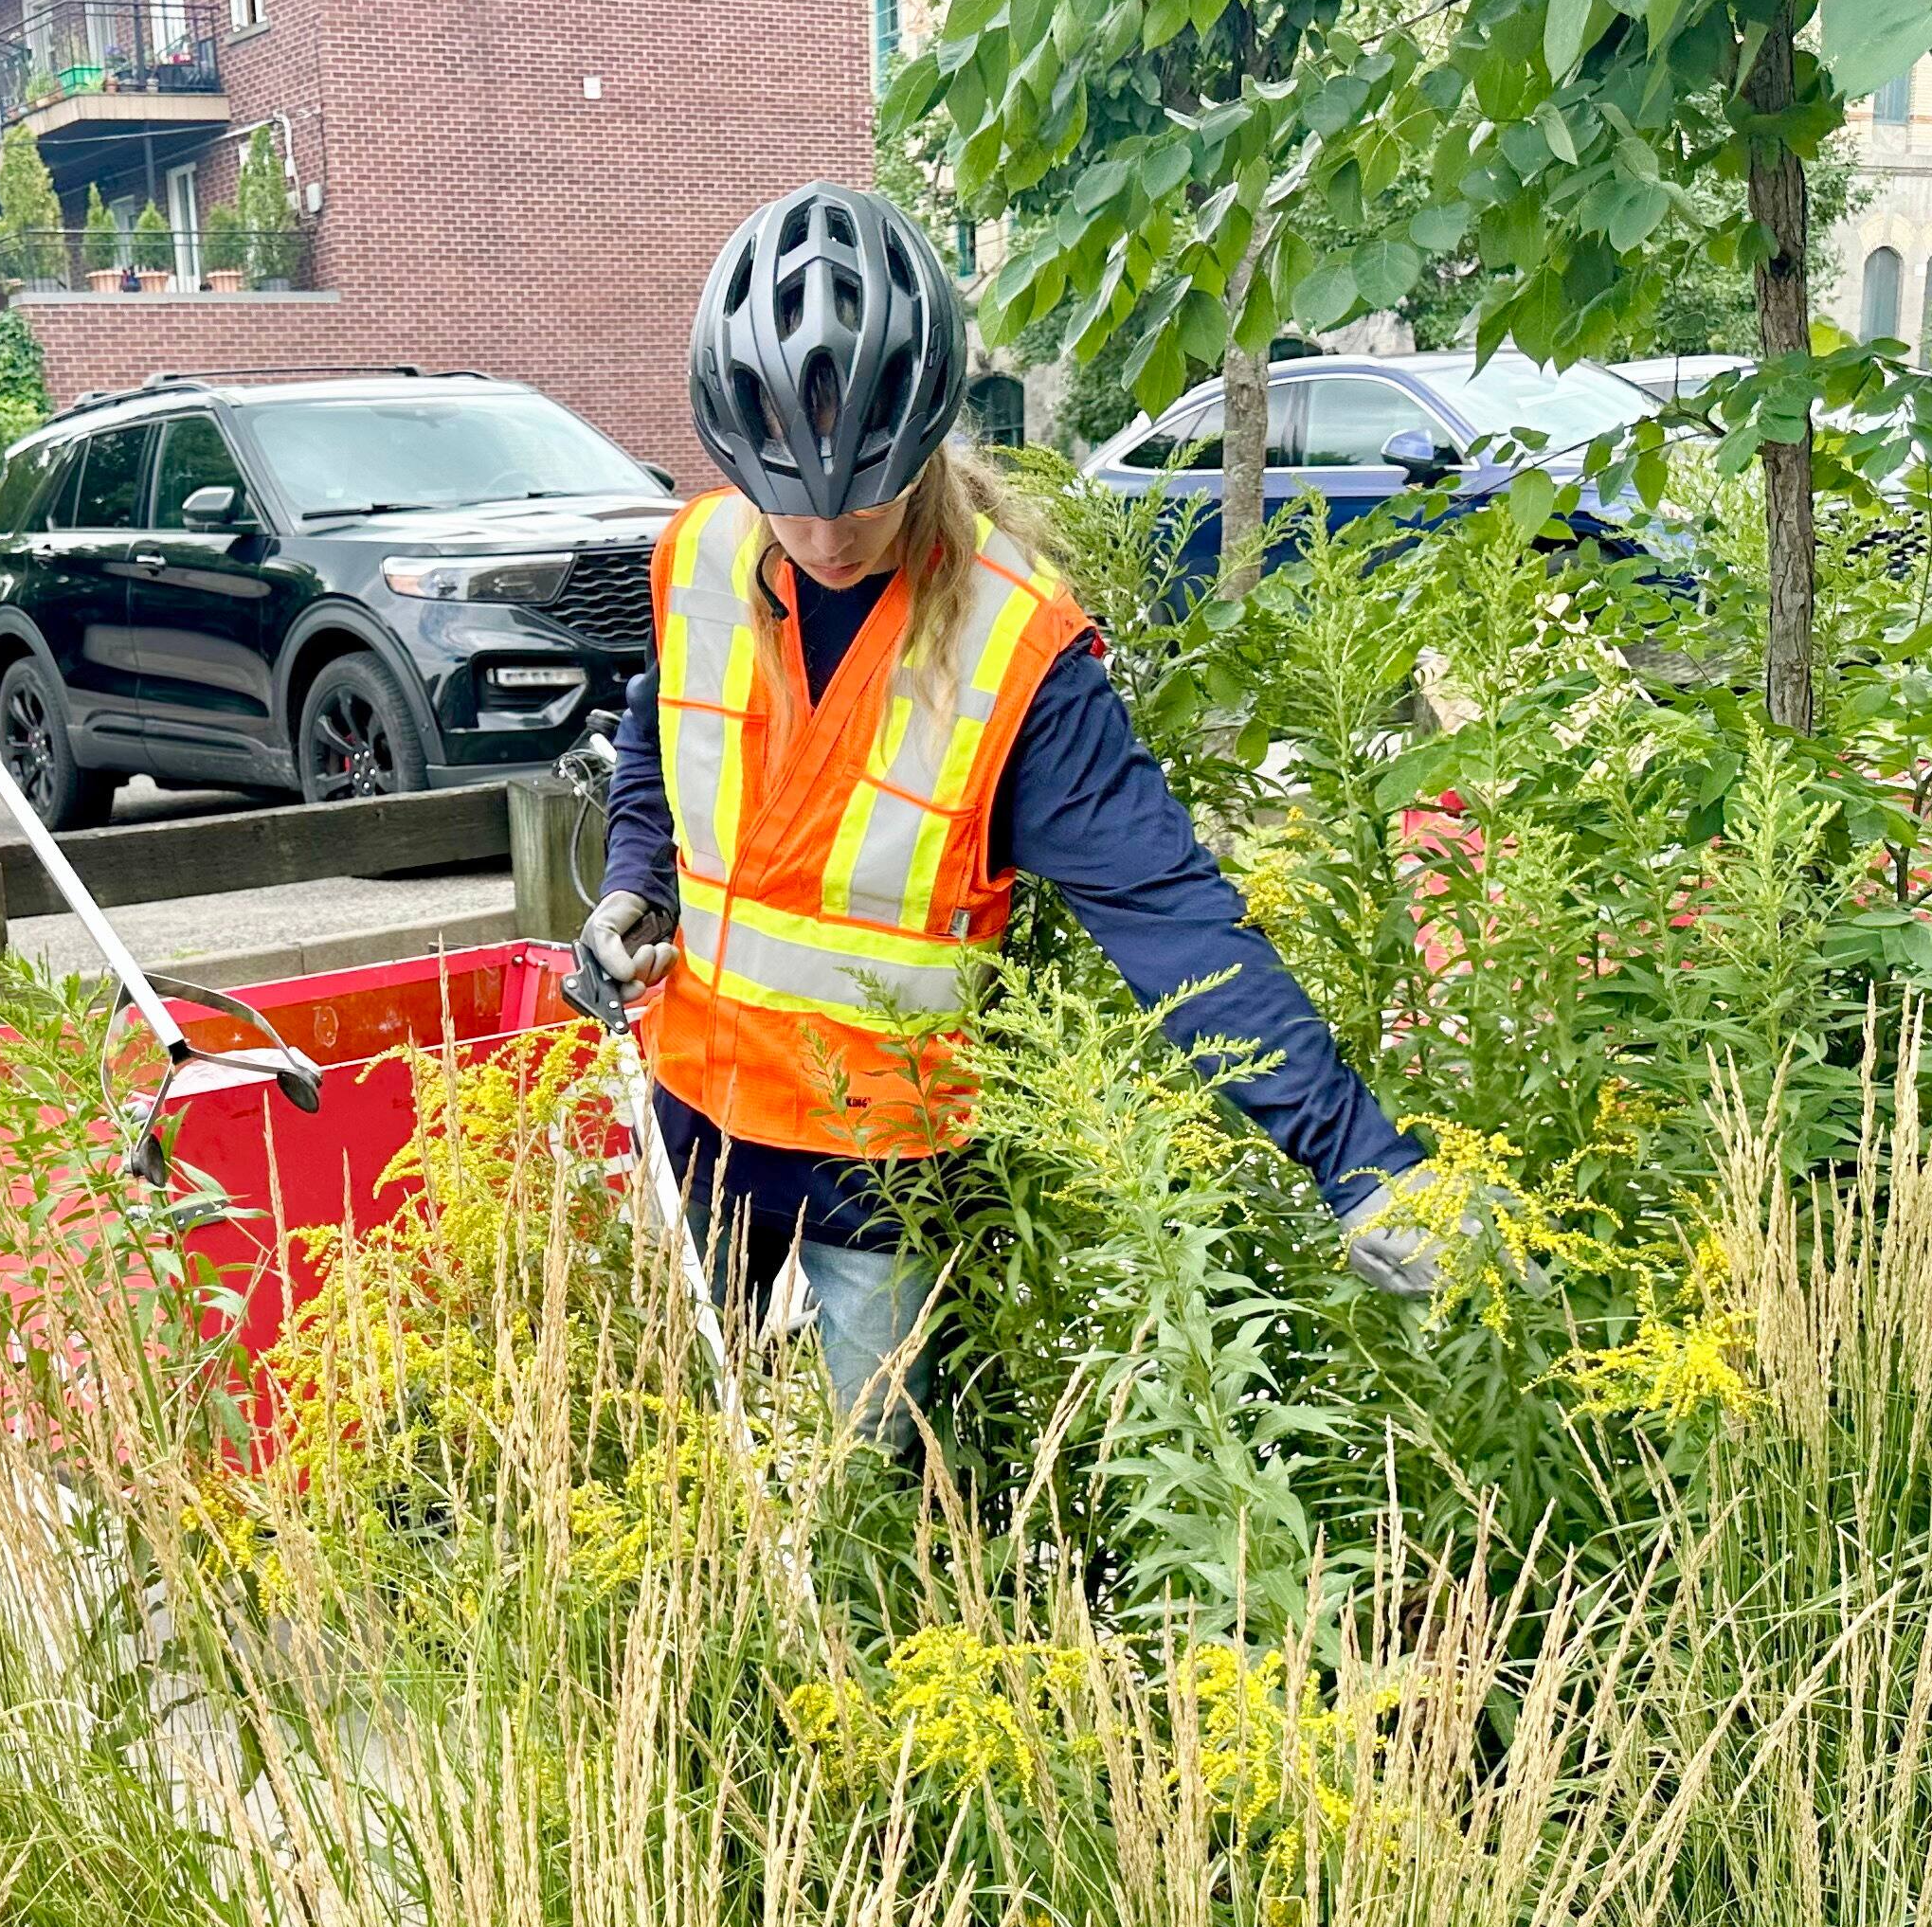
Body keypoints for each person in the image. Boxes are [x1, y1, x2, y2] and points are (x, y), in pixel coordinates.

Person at [577, 183, 1460, 1438]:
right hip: (696, 1120)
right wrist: (631, 884)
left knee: (864, 1512)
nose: (825, 533)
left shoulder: (1018, 647)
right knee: (684, 1472)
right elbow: (657, 743)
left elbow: (1175, 918)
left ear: (923, 436)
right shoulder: (702, 557)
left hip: (879, 1179)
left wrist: (1361, 1164)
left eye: (860, 495)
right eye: (792, 496)